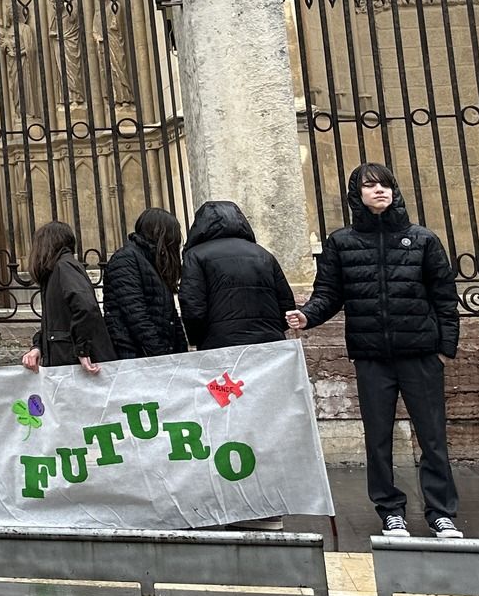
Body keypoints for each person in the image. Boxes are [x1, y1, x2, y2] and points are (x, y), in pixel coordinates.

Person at [288, 163, 463, 539]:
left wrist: (445, 349)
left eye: (385, 184)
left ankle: (441, 511)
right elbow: (329, 294)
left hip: (421, 353)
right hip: (371, 357)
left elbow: (445, 298)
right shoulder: (342, 243)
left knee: (432, 436)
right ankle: (390, 509)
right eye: (370, 186)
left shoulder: (422, 240)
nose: (379, 190)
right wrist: (306, 316)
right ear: (357, 195)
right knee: (378, 436)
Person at [179, 200, 294, 350]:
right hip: (268, 344)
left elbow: (192, 305)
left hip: (220, 344)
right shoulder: (264, 255)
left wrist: (197, 338)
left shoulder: (195, 256)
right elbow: (287, 305)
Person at [21, 222, 113, 373]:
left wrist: (83, 350)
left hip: (73, 362)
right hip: (66, 361)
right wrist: (38, 347)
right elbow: (56, 322)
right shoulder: (55, 271)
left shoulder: (64, 267)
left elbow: (86, 307)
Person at [102, 208, 189, 360]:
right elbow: (136, 315)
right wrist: (160, 355)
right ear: (160, 233)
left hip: (155, 354)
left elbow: (170, 314)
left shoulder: (152, 260)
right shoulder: (127, 259)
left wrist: (181, 353)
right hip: (136, 355)